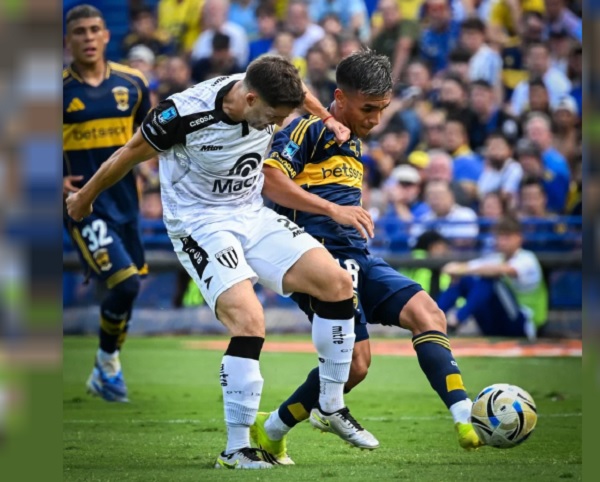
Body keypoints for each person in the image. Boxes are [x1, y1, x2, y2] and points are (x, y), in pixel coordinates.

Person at [66, 54, 371, 470]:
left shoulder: (272, 84)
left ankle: (330, 404)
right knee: (249, 320)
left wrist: (328, 118)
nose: (278, 123)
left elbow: (299, 93)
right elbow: (127, 155)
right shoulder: (181, 115)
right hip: (200, 223)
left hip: (250, 213)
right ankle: (236, 449)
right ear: (250, 99)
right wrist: (84, 198)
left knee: (337, 283)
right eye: (273, 117)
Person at [249, 50, 483, 466]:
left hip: (357, 255)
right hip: (317, 259)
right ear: (340, 98)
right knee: (356, 366)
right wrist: (334, 211)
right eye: (368, 108)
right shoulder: (309, 129)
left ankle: (465, 416)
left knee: (428, 313)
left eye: (382, 109)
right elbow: (270, 180)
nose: (375, 119)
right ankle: (280, 426)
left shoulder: (352, 140)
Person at [63, 5, 151, 403]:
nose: (88, 37)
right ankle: (108, 364)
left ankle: (105, 368)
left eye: (94, 29)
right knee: (126, 282)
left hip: (126, 202)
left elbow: (151, 135)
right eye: (79, 31)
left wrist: (151, 172)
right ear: (68, 40)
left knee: (128, 287)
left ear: (106, 36)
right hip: (83, 205)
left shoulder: (133, 83)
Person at [439, 215, 548, 339]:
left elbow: (503, 269)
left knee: (489, 280)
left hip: (521, 323)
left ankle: (456, 320)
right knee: (464, 280)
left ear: (519, 238)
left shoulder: (527, 258)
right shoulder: (496, 258)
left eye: (507, 237)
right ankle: (434, 319)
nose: (502, 241)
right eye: (499, 236)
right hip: (495, 322)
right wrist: (458, 270)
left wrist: (462, 269)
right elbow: (459, 267)